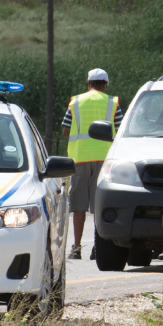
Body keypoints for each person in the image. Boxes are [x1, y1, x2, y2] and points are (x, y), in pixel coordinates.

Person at [61, 68, 122, 260]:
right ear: (105, 84)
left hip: (79, 159)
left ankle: (76, 248)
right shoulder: (113, 103)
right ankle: (98, 247)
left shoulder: (76, 102)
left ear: (88, 83)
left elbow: (65, 130)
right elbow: (119, 131)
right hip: (105, 161)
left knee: (79, 206)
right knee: (99, 205)